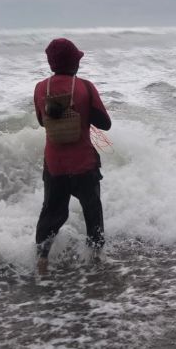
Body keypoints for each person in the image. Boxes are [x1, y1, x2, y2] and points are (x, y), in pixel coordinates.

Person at [33, 38, 111, 274]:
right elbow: (105, 124)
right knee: (92, 212)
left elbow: (40, 121)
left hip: (54, 166)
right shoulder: (85, 87)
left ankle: (42, 263)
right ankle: (95, 262)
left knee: (51, 213)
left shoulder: (40, 88)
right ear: (73, 62)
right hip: (84, 164)